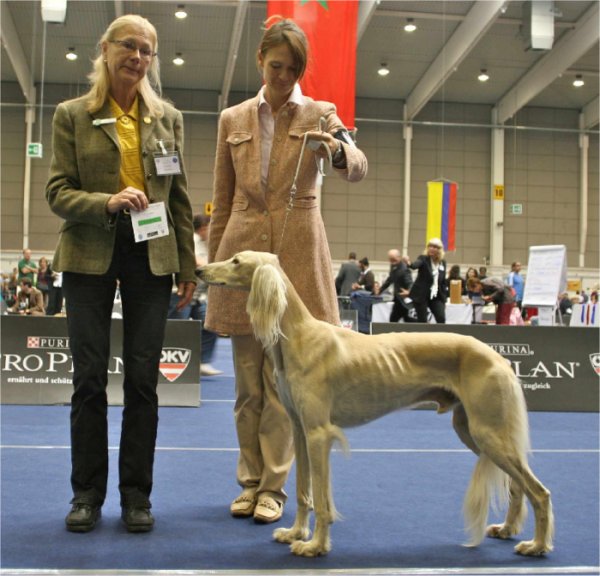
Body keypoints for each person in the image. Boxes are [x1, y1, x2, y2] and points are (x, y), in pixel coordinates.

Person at [205, 16, 367, 524]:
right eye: (276, 66)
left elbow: (357, 164)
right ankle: (247, 482)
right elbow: (223, 198)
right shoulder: (232, 119)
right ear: (260, 61)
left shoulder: (321, 111)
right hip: (243, 255)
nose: (283, 76)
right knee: (247, 385)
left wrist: (338, 151)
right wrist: (214, 266)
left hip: (297, 261)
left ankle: (273, 487)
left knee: (282, 385)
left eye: (293, 68)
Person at [45, 14, 196, 534]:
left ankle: (137, 497)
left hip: (150, 256)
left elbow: (177, 195)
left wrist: (187, 264)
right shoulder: (71, 115)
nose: (138, 56)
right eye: (129, 46)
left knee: (142, 382)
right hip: (89, 251)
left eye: (147, 50)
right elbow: (57, 192)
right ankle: (86, 494)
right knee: (87, 380)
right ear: (105, 49)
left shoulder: (168, 118)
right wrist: (106, 202)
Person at [192, 214, 222, 377]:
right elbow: (196, 261)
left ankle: (203, 361)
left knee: (211, 324)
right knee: (178, 330)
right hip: (181, 294)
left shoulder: (205, 244)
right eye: (211, 226)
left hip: (199, 297)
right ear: (203, 227)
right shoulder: (193, 238)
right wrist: (214, 269)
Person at [404, 238, 448, 323]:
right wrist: (409, 263)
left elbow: (442, 282)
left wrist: (444, 300)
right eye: (430, 246)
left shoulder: (443, 263)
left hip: (436, 296)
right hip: (421, 295)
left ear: (439, 250)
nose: (431, 248)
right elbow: (415, 265)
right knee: (423, 320)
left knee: (441, 318)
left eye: (435, 247)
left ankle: (441, 336)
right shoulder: (423, 258)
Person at [379, 249, 414, 323]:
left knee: (404, 320)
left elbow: (410, 283)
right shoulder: (393, 266)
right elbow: (389, 280)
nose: (392, 262)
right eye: (390, 260)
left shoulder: (404, 269)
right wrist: (379, 290)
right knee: (396, 320)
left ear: (399, 257)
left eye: (394, 259)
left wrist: (409, 291)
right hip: (398, 300)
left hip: (404, 301)